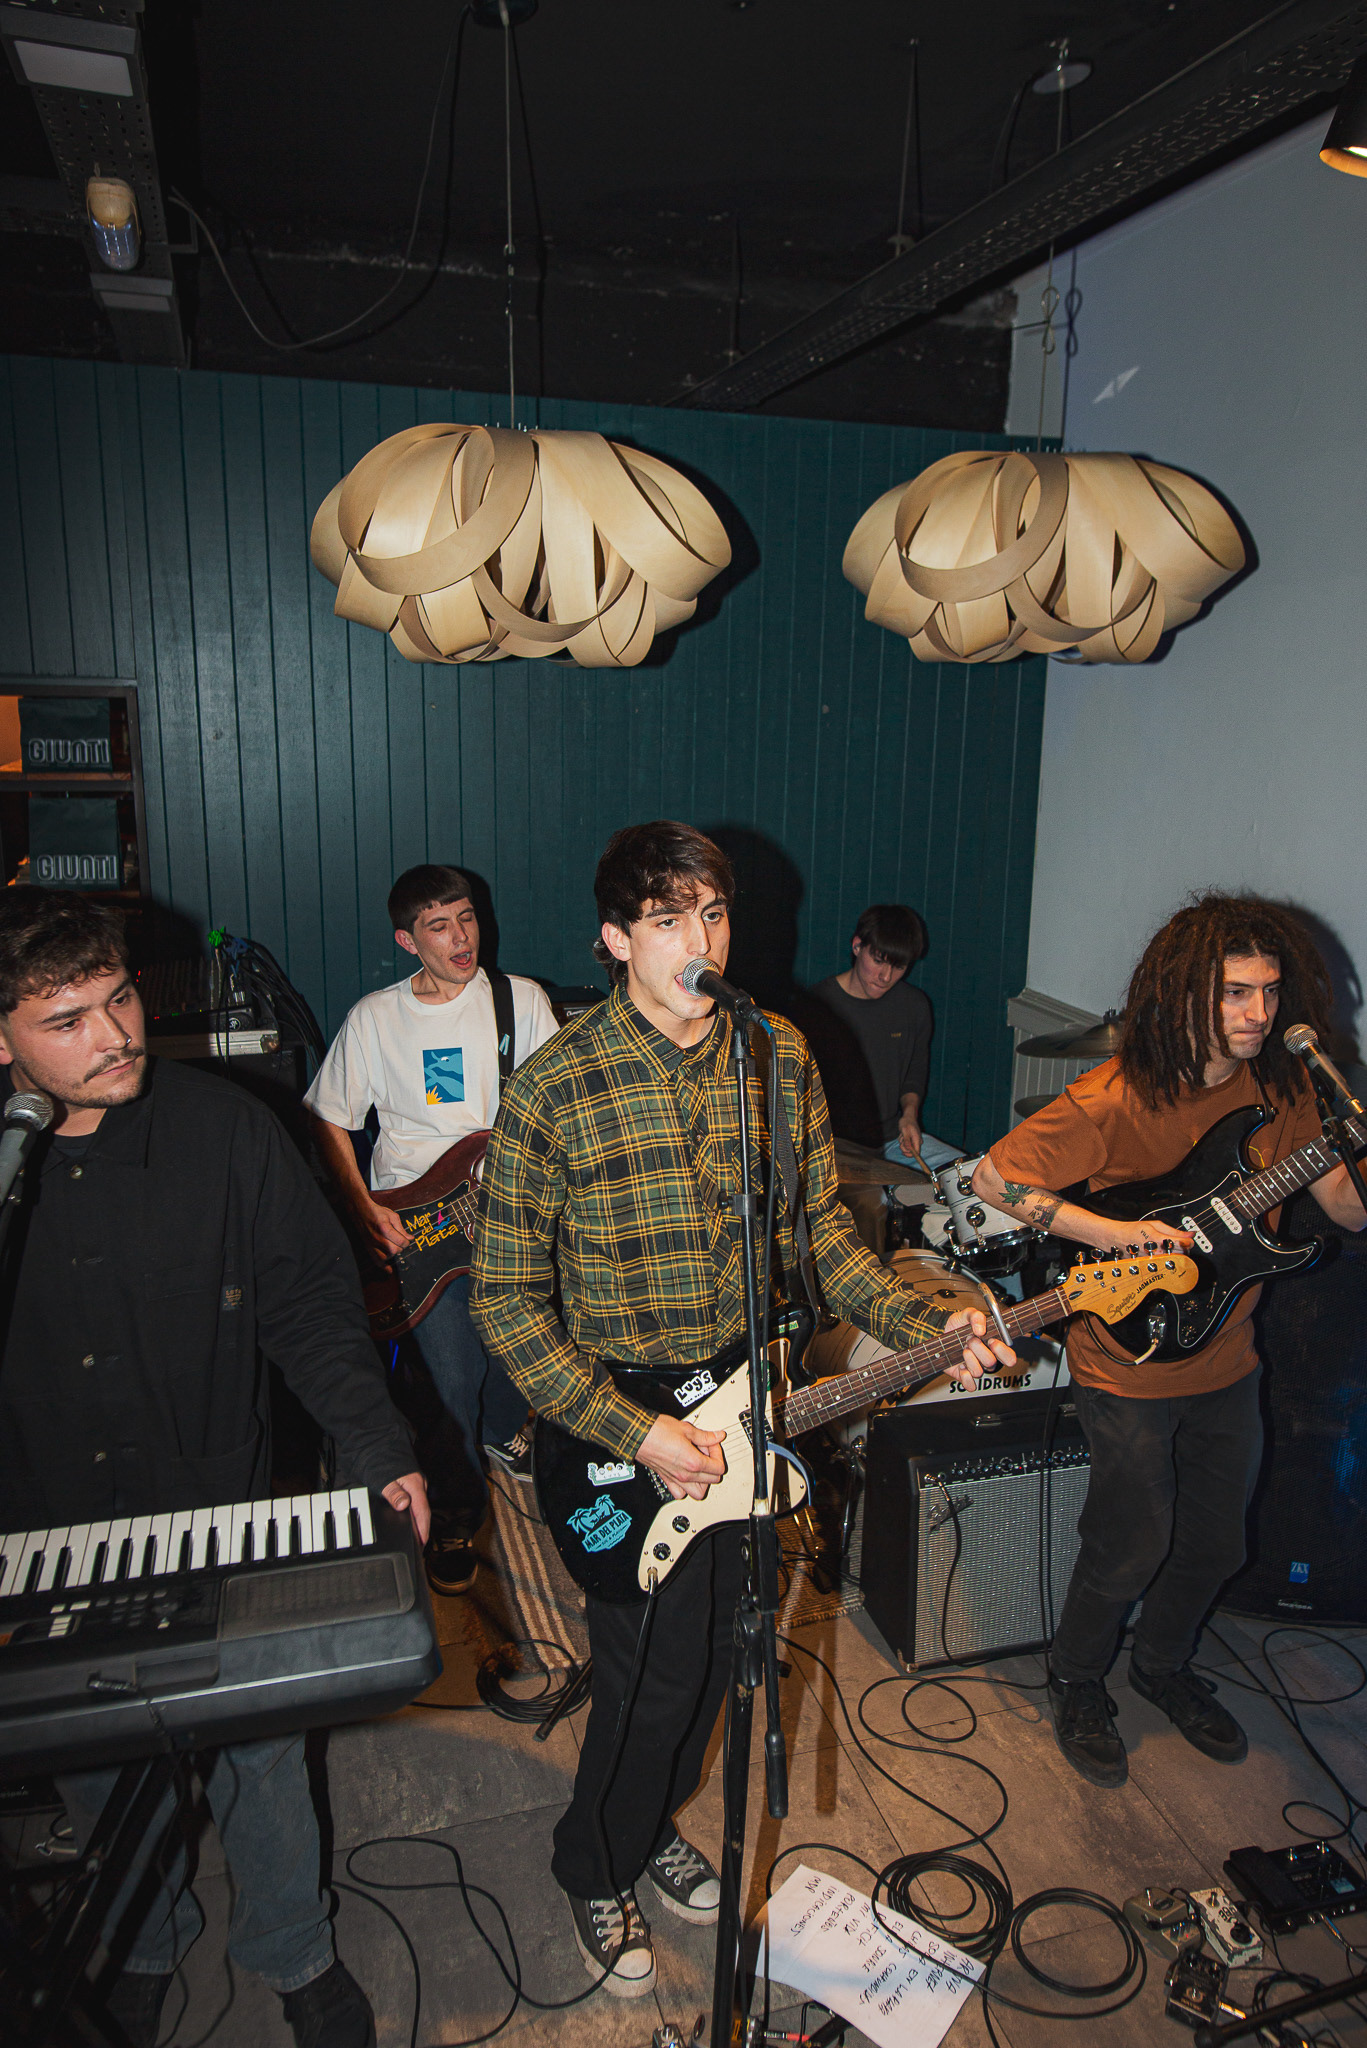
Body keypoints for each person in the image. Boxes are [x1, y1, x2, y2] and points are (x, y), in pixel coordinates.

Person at [470, 821, 1013, 1997]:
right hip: (616, 1426)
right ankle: (592, 1859)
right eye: (667, 918)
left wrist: (927, 1322)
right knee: (648, 1676)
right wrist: (635, 1431)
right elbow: (504, 1300)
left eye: (712, 913)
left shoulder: (773, 1054)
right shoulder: (555, 1086)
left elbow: (823, 1239)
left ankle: (644, 1820)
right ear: (615, 938)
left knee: (719, 1661)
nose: (699, 940)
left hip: (744, 1403)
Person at [0, 889, 430, 2048]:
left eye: (120, 998)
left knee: (259, 1748)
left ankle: (293, 1947)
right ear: (1, 1040)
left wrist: (378, 1448)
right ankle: (142, 1938)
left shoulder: (227, 1129)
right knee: (94, 1754)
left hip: (218, 1507)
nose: (114, 1035)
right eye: (68, 1020)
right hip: (44, 1529)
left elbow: (311, 1309)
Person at [973, 893, 1367, 1789]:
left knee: (1218, 1544)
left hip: (1228, 1354)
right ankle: (1077, 1678)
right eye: (1234, 992)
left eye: (1269, 991)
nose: (1258, 1013)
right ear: (1183, 992)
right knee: (1130, 1542)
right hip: (1126, 1356)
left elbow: (1345, 1211)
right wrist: (1113, 1233)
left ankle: (1160, 1664)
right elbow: (996, 1178)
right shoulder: (1114, 1096)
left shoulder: (1284, 1086)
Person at [307, 864, 558, 1596]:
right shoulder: (375, 1018)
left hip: (505, 1213)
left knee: (519, 1355)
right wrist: (363, 1206)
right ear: (407, 940)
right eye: (438, 926)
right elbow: (328, 1115)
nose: (460, 938)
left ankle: (502, 1432)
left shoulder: (519, 1001)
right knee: (452, 1376)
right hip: (418, 1223)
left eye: (467, 918)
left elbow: (558, 1105)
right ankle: (454, 1512)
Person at [809, 902, 960, 1175]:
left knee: (973, 1177)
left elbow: (914, 1072)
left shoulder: (913, 1006)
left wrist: (909, 1117)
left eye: (898, 966)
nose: (885, 977)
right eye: (878, 961)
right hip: (833, 1148)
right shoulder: (818, 1007)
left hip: (892, 1141)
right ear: (857, 946)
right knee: (876, 1200)